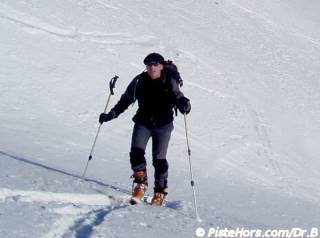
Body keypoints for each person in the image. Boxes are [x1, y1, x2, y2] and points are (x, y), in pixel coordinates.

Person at [99, 52, 191, 205]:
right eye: (149, 65)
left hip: (163, 125)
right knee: (136, 153)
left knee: (159, 159)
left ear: (161, 66)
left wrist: (184, 104)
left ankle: (160, 192)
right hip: (143, 122)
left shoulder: (169, 80)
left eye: (155, 64)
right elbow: (126, 99)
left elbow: (178, 96)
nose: (152, 67)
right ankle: (141, 183)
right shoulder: (139, 81)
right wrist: (111, 114)